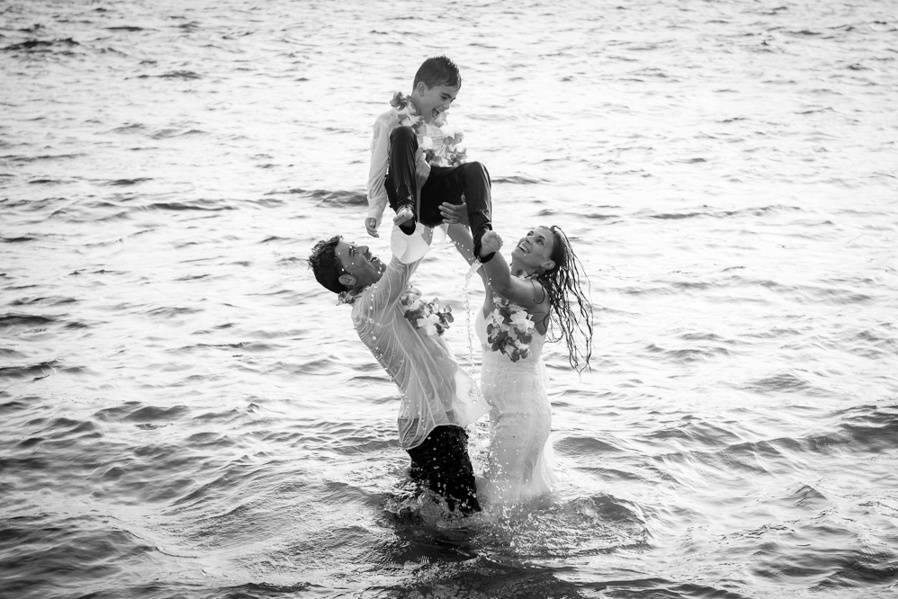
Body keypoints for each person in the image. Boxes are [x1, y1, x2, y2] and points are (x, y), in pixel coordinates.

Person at [307, 229, 487, 514]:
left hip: (436, 419)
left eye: (357, 245)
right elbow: (404, 263)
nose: (366, 248)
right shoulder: (368, 307)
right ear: (347, 279)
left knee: (435, 512)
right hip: (433, 428)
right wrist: (423, 212)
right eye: (354, 253)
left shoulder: (387, 299)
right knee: (464, 520)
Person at [439, 202, 594, 506]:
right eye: (529, 234)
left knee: (498, 502)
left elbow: (504, 282)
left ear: (547, 265)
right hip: (505, 408)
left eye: (539, 242)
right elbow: (463, 242)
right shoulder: (494, 278)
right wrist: (440, 210)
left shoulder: (537, 293)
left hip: (521, 413)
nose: (528, 239)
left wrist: (484, 245)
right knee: (509, 500)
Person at [364, 55, 495, 261]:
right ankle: (406, 209)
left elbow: (450, 167)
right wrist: (375, 212)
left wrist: (465, 208)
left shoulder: (439, 127)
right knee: (403, 134)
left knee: (476, 168)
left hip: (436, 201)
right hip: (406, 196)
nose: (448, 106)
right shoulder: (389, 120)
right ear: (422, 89)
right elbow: (378, 170)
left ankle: (483, 234)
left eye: (452, 100)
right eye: (444, 97)